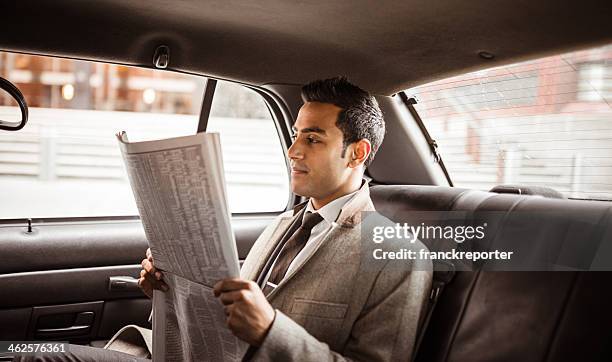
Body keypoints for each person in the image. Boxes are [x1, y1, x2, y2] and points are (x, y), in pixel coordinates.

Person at [15, 77, 432, 362]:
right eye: (294, 136)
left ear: (357, 153)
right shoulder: (282, 226)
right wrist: (167, 291)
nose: (293, 152)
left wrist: (271, 330)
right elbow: (216, 325)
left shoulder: (397, 256)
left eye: (312, 139)